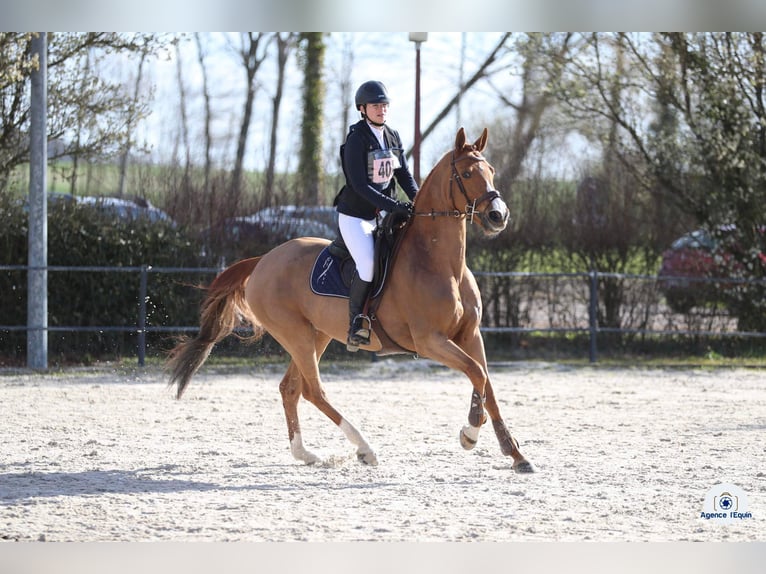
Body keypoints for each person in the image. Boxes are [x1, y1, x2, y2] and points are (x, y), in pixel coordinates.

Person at [334, 80, 419, 351]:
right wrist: (392, 206)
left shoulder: (392, 136)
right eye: (375, 106)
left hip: (383, 215)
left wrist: (418, 200)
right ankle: (356, 323)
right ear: (363, 109)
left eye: (384, 105)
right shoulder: (357, 138)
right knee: (369, 264)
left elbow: (403, 174)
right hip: (355, 217)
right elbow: (360, 185)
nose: (381, 110)